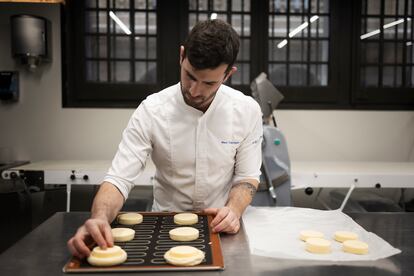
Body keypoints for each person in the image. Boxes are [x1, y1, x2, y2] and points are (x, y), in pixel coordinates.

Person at [67, 19, 263, 259]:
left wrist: (233, 211)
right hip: (163, 228)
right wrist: (98, 218)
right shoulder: (152, 111)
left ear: (228, 74)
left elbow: (247, 178)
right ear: (182, 56)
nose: (194, 91)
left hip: (221, 227)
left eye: (209, 83)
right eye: (190, 76)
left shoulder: (247, 111)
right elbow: (119, 178)